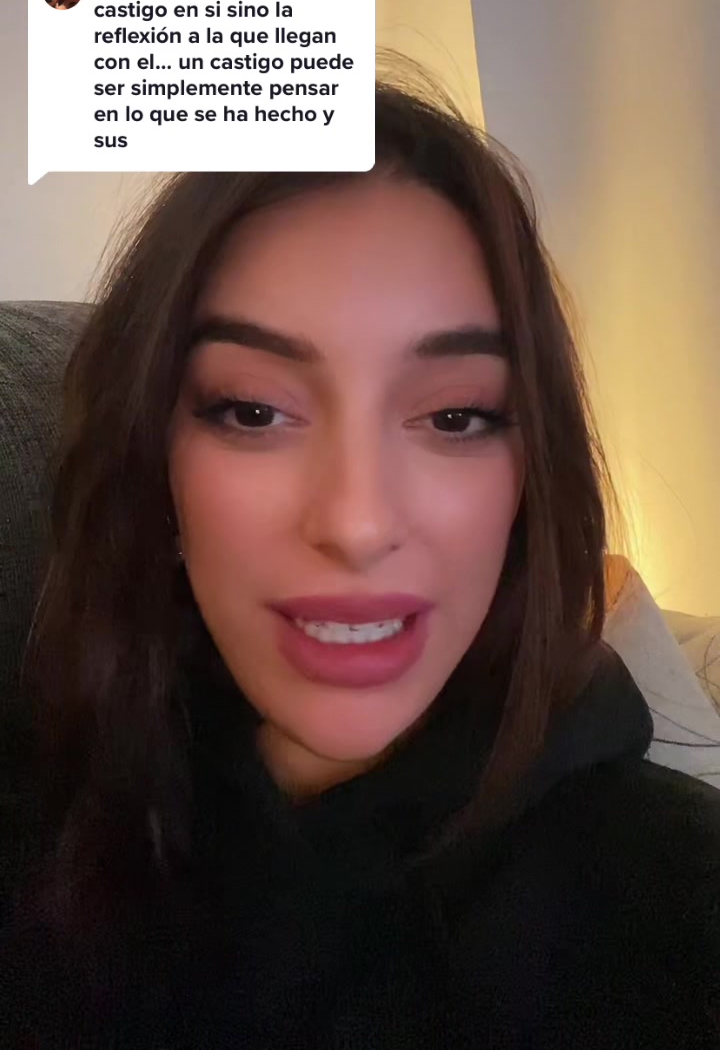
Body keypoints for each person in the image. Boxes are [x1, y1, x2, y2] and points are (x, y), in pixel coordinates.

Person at [1, 66, 719, 1048]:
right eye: (253, 411)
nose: (356, 521)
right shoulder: (46, 839)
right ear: (152, 464)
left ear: (528, 480)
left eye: (456, 415)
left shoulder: (676, 910)